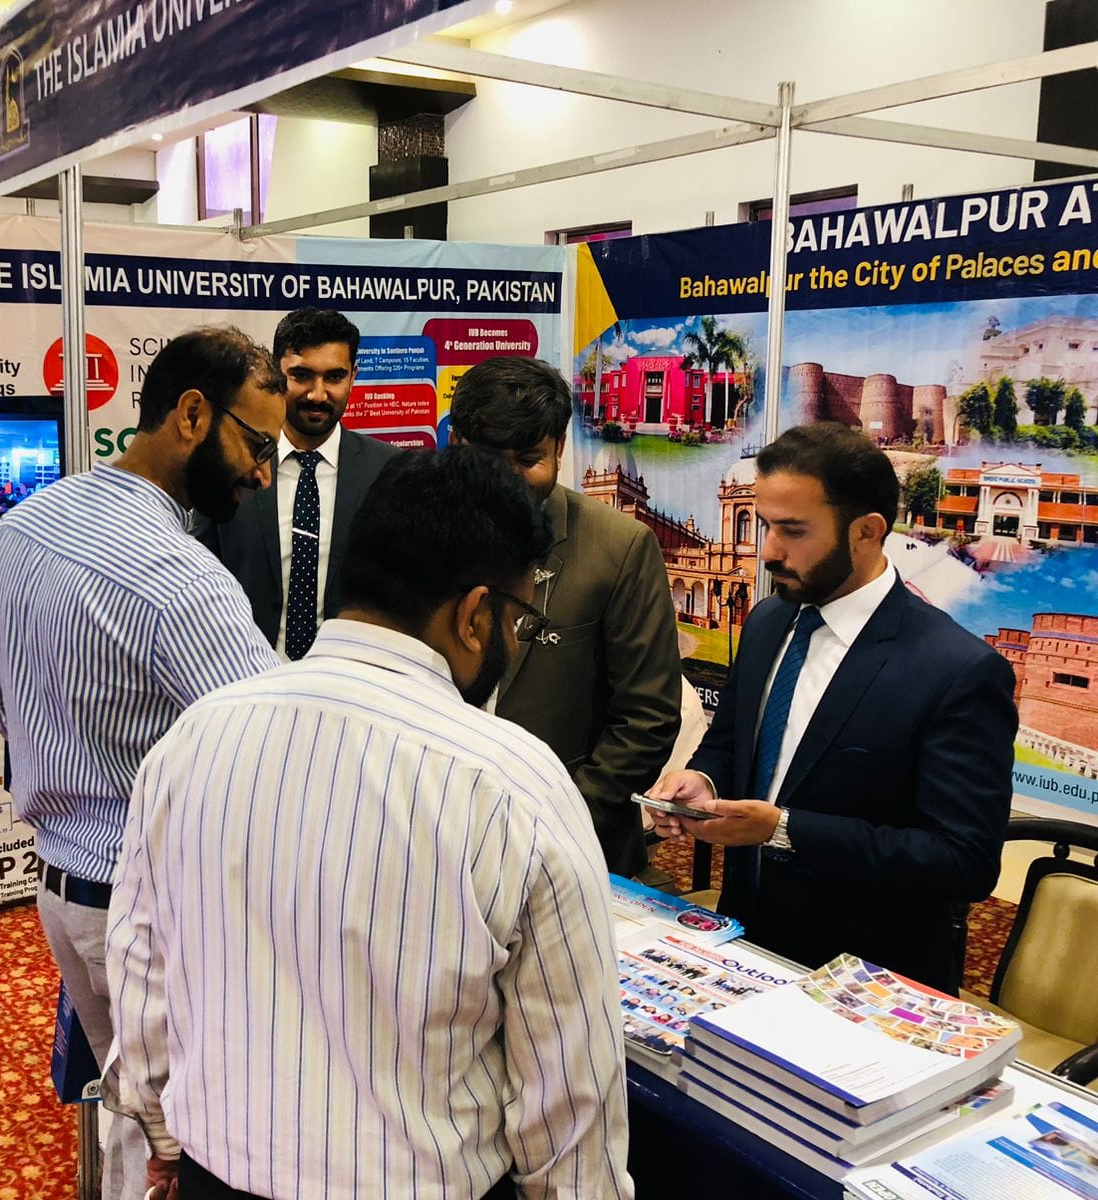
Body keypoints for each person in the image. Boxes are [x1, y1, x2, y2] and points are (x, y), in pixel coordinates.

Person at [106, 447, 632, 1200]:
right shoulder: (515, 783)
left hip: (216, 1175)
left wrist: (162, 1134)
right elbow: (570, 1087)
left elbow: (141, 967)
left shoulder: (196, 736)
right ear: (474, 615)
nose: (514, 641)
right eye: (517, 617)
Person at [0, 326, 284, 1200]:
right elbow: (276, 765)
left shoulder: (27, 523)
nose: (264, 474)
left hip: (62, 893)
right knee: (182, 1142)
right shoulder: (181, 580)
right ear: (192, 415)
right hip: (155, 915)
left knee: (129, 1107)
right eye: (257, 445)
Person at [647, 423, 1015, 993]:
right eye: (765, 525)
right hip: (745, 943)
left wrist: (785, 830)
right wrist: (703, 780)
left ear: (867, 531)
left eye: (793, 531)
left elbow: (963, 860)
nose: (769, 551)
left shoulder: (957, 671)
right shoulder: (769, 622)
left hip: (867, 977)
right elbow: (731, 743)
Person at [449, 356, 682, 880]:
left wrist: (555, 825)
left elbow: (647, 717)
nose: (507, 480)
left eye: (528, 459)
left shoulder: (619, 547)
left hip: (571, 849)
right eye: (487, 459)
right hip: (440, 839)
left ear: (558, 448)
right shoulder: (421, 535)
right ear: (456, 443)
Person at [192, 308, 398, 660]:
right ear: (276, 373)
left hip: (348, 679)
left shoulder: (391, 473)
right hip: (242, 674)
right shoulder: (229, 465)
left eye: (335, 377)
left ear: (353, 376)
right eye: (302, 375)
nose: (318, 394)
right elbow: (197, 580)